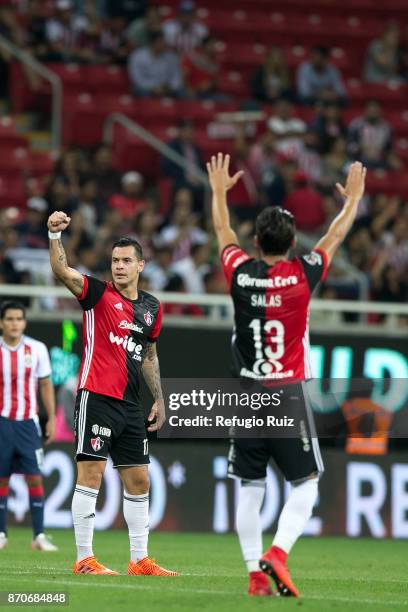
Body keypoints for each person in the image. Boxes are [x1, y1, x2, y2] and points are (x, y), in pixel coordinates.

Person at [206, 153, 366, 597]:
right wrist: (353, 200)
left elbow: (222, 231)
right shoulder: (303, 274)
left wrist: (219, 192)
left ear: (255, 241)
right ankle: (276, 554)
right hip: (286, 394)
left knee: (250, 489)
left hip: (247, 394)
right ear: (293, 241)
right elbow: (335, 234)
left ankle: (255, 575)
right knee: (306, 484)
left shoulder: (238, 272)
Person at [47, 212, 178, 577]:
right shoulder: (97, 294)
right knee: (91, 475)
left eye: (125, 261)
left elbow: (149, 355)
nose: (118, 267)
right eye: (114, 261)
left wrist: (160, 398)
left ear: (140, 265)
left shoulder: (151, 308)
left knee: (139, 480)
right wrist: (54, 236)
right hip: (96, 397)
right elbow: (63, 272)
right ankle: (84, 559)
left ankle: (139, 560)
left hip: (130, 406)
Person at [0, 301, 57, 551]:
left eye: (19, 319)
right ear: (2, 322)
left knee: (34, 478)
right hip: (1, 422)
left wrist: (52, 418)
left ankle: (39, 536)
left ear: (24, 322)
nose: (14, 324)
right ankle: (1, 534)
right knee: (2, 480)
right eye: (10, 319)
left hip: (28, 424)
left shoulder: (37, 349)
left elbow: (45, 385)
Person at [128, 30, 183, 97]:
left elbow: (176, 77)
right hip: (146, 87)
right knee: (140, 91)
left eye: (164, 42)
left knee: (181, 92)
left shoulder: (171, 57)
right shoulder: (138, 56)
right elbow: (137, 79)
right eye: (160, 42)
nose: (163, 45)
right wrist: (153, 87)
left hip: (166, 87)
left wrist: (170, 87)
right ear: (152, 43)